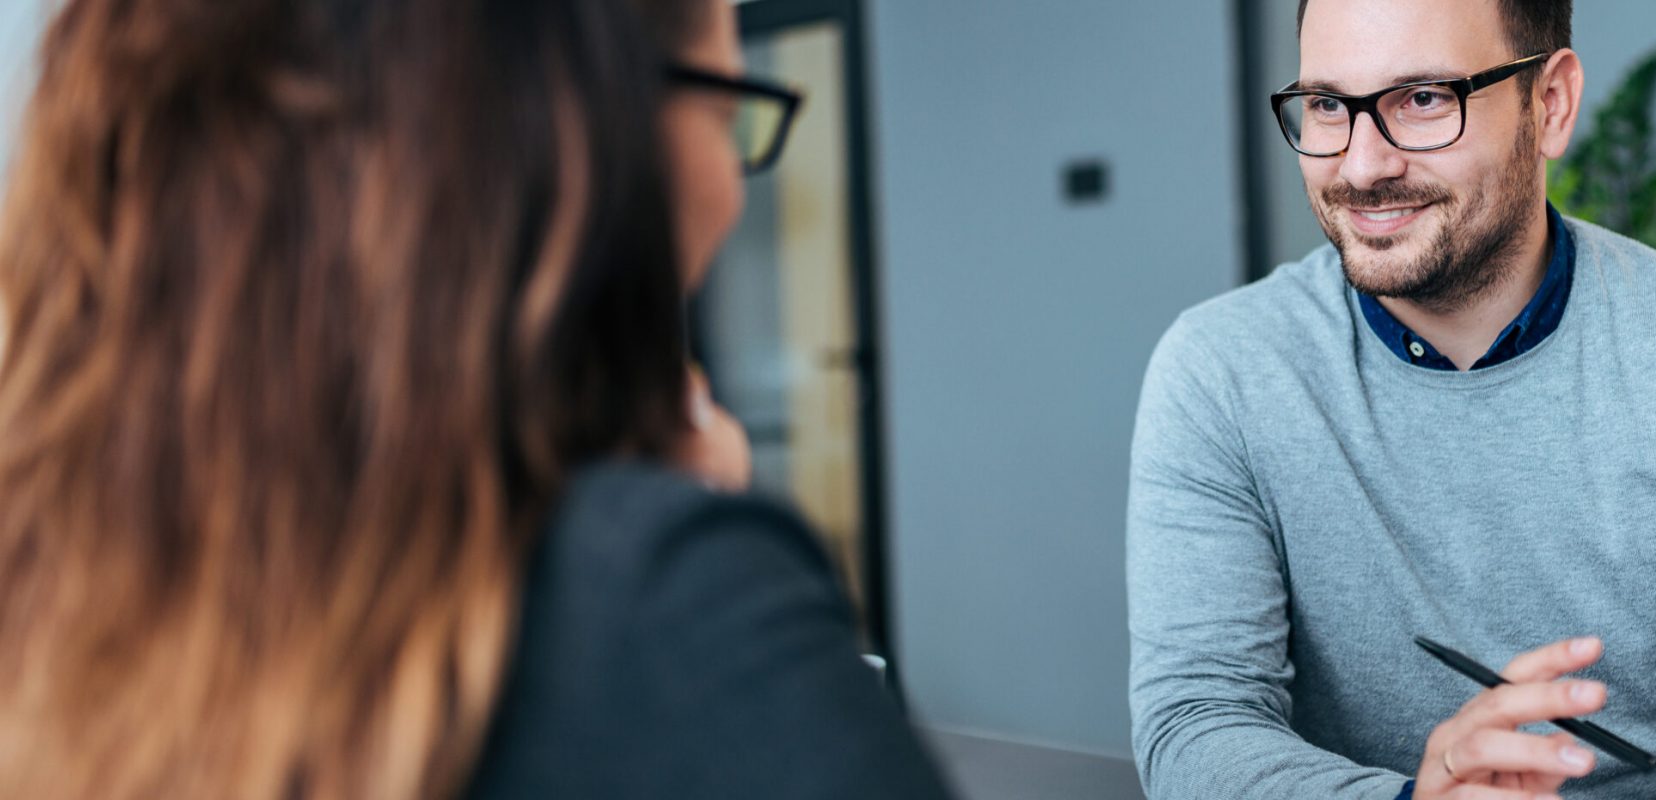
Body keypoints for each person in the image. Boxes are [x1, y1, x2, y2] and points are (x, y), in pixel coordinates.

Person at [0, 0, 951, 798]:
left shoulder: (63, 588)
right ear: (571, 134)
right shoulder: (666, 619)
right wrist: (673, 540)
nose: (734, 193)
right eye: (731, 112)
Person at [1126, 0, 1656, 798]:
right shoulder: (1222, 372)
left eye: (1423, 98)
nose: (1363, 166)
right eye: (1329, 105)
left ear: (1549, 104)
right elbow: (1199, 724)